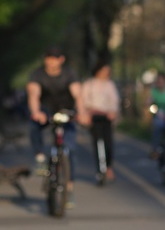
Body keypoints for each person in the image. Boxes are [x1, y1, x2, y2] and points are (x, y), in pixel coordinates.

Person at [26, 45, 81, 202]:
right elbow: (33, 94)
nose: (51, 61)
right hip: (45, 111)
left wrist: (82, 112)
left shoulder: (69, 74)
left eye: (55, 58)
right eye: (49, 58)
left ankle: (69, 189)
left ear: (61, 59)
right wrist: (36, 112)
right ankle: (40, 158)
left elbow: (78, 95)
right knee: (33, 126)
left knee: (70, 150)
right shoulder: (37, 75)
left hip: (66, 111)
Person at [79, 58, 120, 182]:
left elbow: (115, 101)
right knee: (97, 143)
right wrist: (86, 113)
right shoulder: (89, 84)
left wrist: (113, 112)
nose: (105, 74)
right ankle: (99, 170)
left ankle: (109, 167)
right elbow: (83, 99)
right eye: (103, 71)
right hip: (94, 116)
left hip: (106, 117)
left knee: (108, 143)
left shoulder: (109, 85)